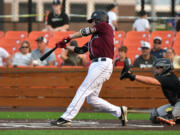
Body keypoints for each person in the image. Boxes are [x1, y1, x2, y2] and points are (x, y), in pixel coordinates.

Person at [50, 10, 128, 127]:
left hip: (102, 64)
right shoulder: (95, 37)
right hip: (96, 66)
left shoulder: (106, 26)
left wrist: (68, 38)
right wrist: (65, 46)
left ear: (101, 20)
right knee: (92, 99)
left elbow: (85, 31)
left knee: (83, 89)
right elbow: (81, 50)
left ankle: (66, 118)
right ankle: (119, 112)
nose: (93, 23)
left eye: (95, 21)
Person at [120, 58, 180, 126]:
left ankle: (173, 118)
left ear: (165, 68)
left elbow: (151, 81)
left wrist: (132, 76)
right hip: (175, 104)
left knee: (169, 117)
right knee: (155, 115)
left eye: (158, 68)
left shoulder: (170, 78)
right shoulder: (167, 77)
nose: (156, 70)